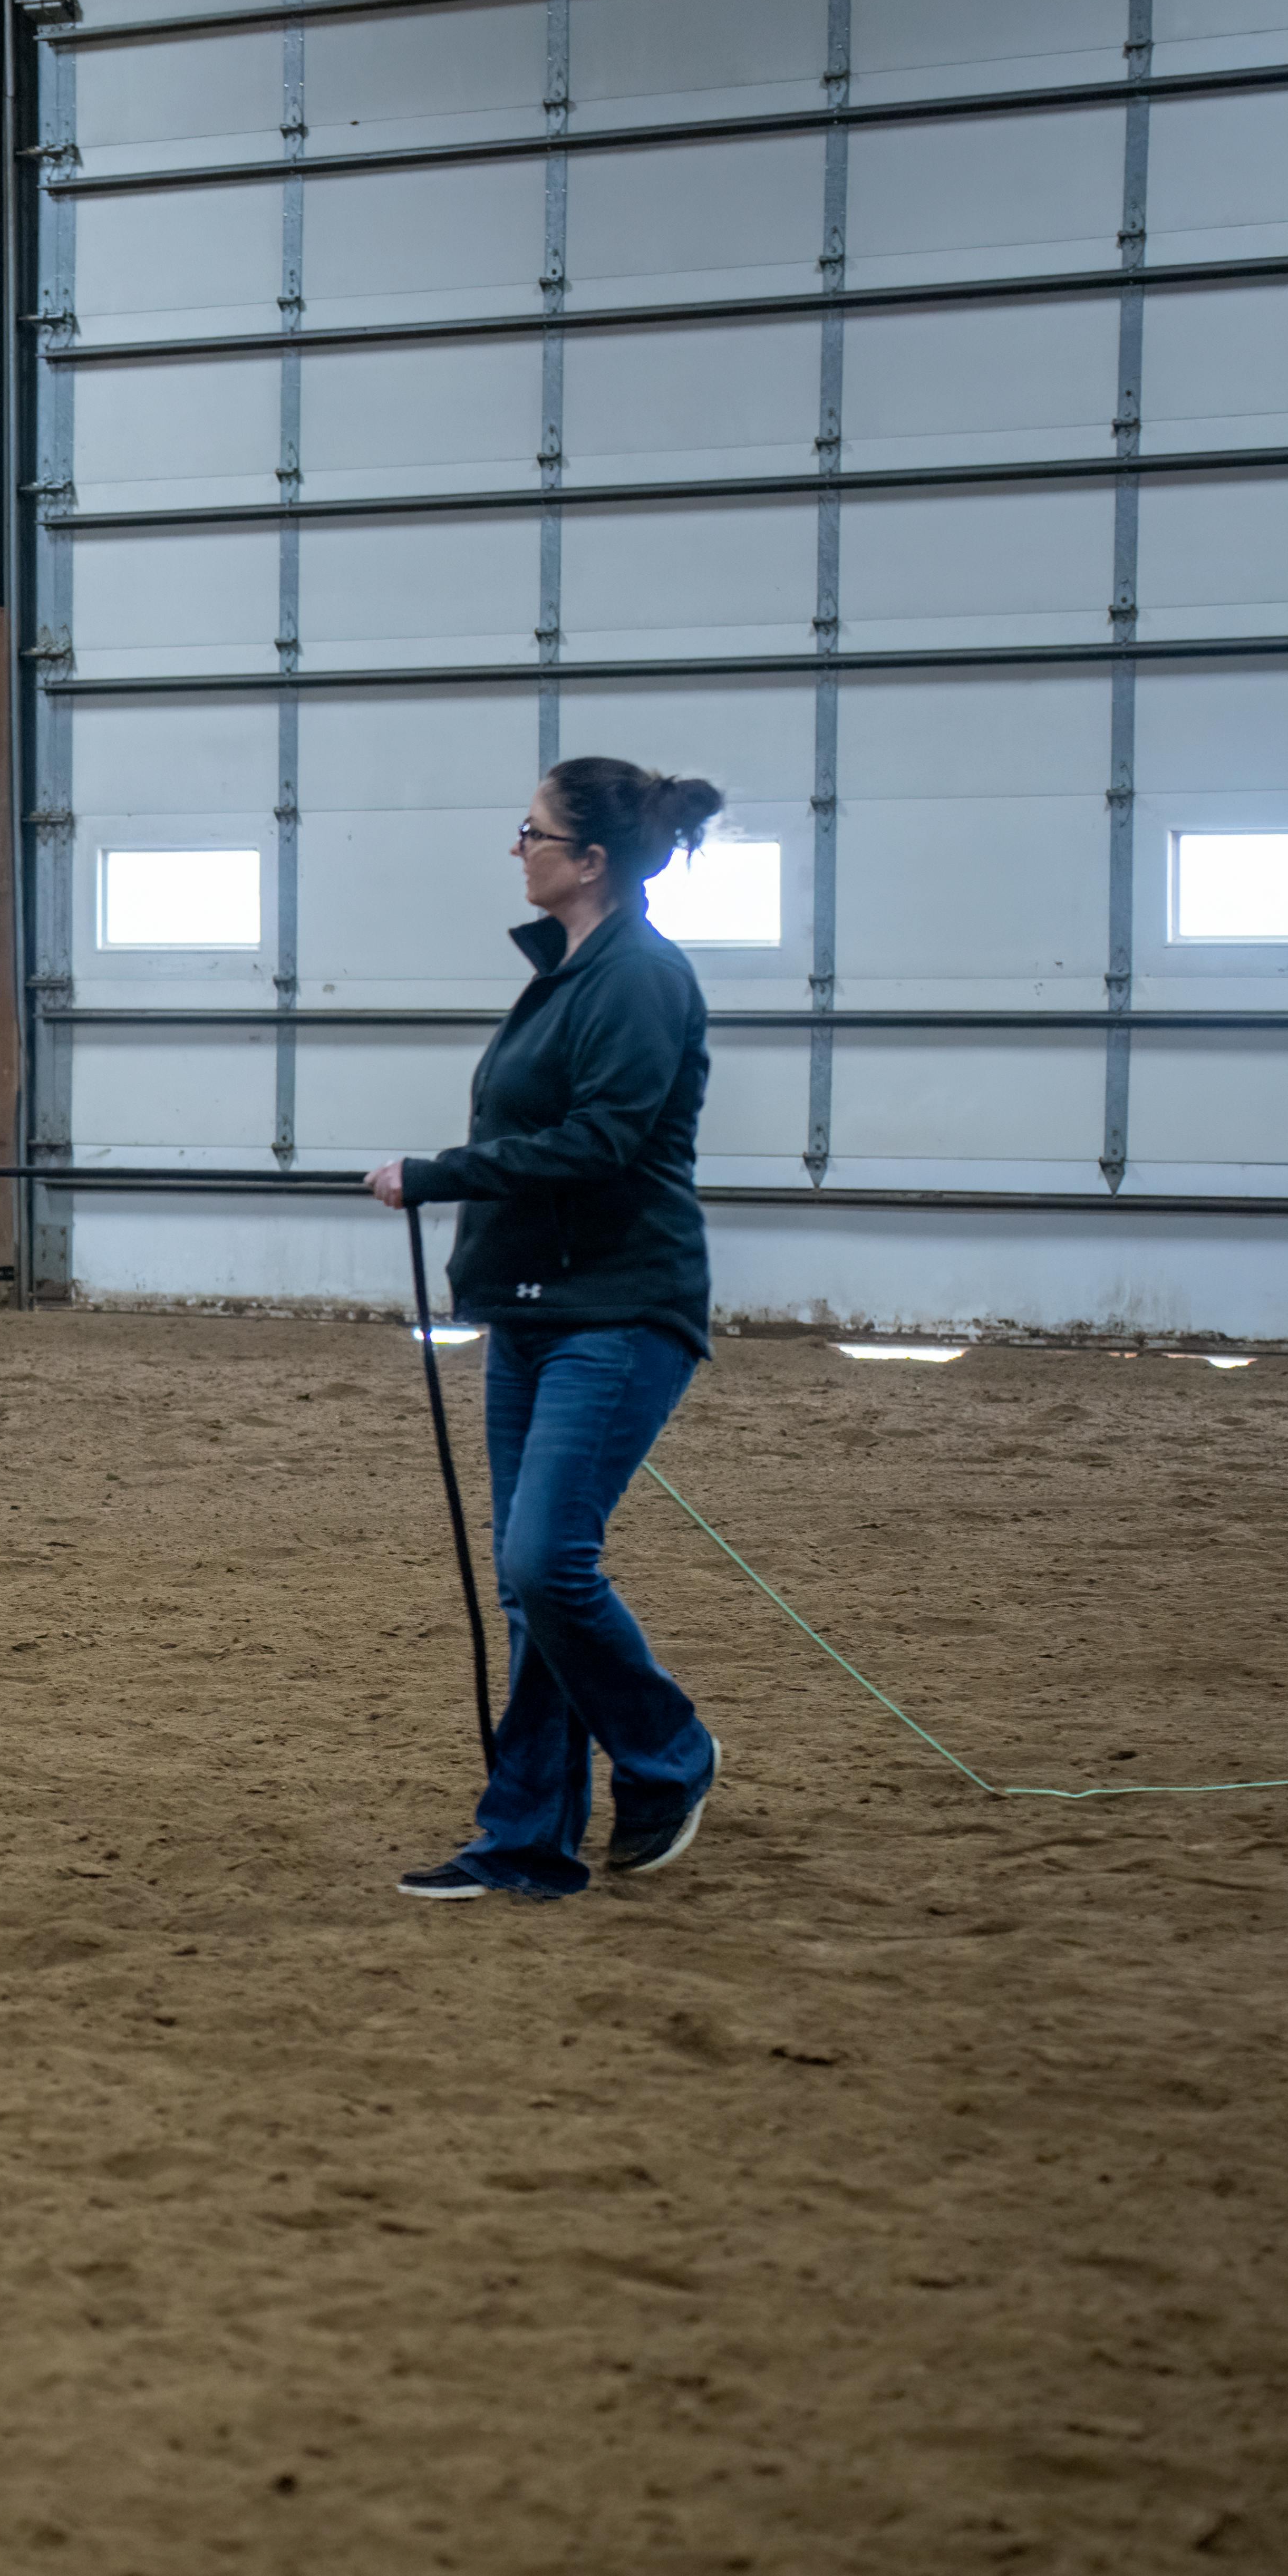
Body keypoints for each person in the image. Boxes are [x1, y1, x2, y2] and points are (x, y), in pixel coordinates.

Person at [364, 755, 728, 1901]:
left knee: (544, 1563)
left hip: (617, 1310)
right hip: (534, 1309)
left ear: (590, 861)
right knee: (531, 1587)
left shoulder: (636, 979)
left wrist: (437, 1173)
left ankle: (670, 1754)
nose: (516, 849)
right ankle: (525, 1838)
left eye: (531, 833)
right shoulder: (570, 974)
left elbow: (600, 1142)